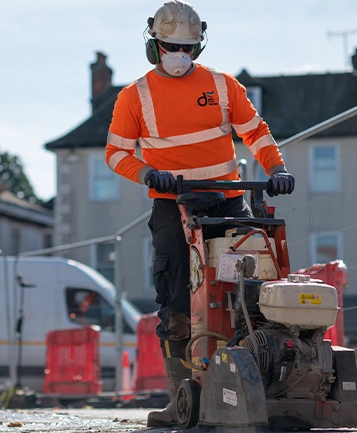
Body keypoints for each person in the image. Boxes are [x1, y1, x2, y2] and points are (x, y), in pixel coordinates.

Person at [104, 0, 294, 427]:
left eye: (188, 47)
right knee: (175, 301)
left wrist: (277, 169)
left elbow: (255, 132)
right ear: (154, 45)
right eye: (171, 46)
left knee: (249, 292)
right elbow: (115, 154)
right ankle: (180, 400)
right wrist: (148, 171)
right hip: (173, 206)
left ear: (199, 46)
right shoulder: (135, 96)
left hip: (229, 200)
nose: (179, 55)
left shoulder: (224, 86)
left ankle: (256, 382)